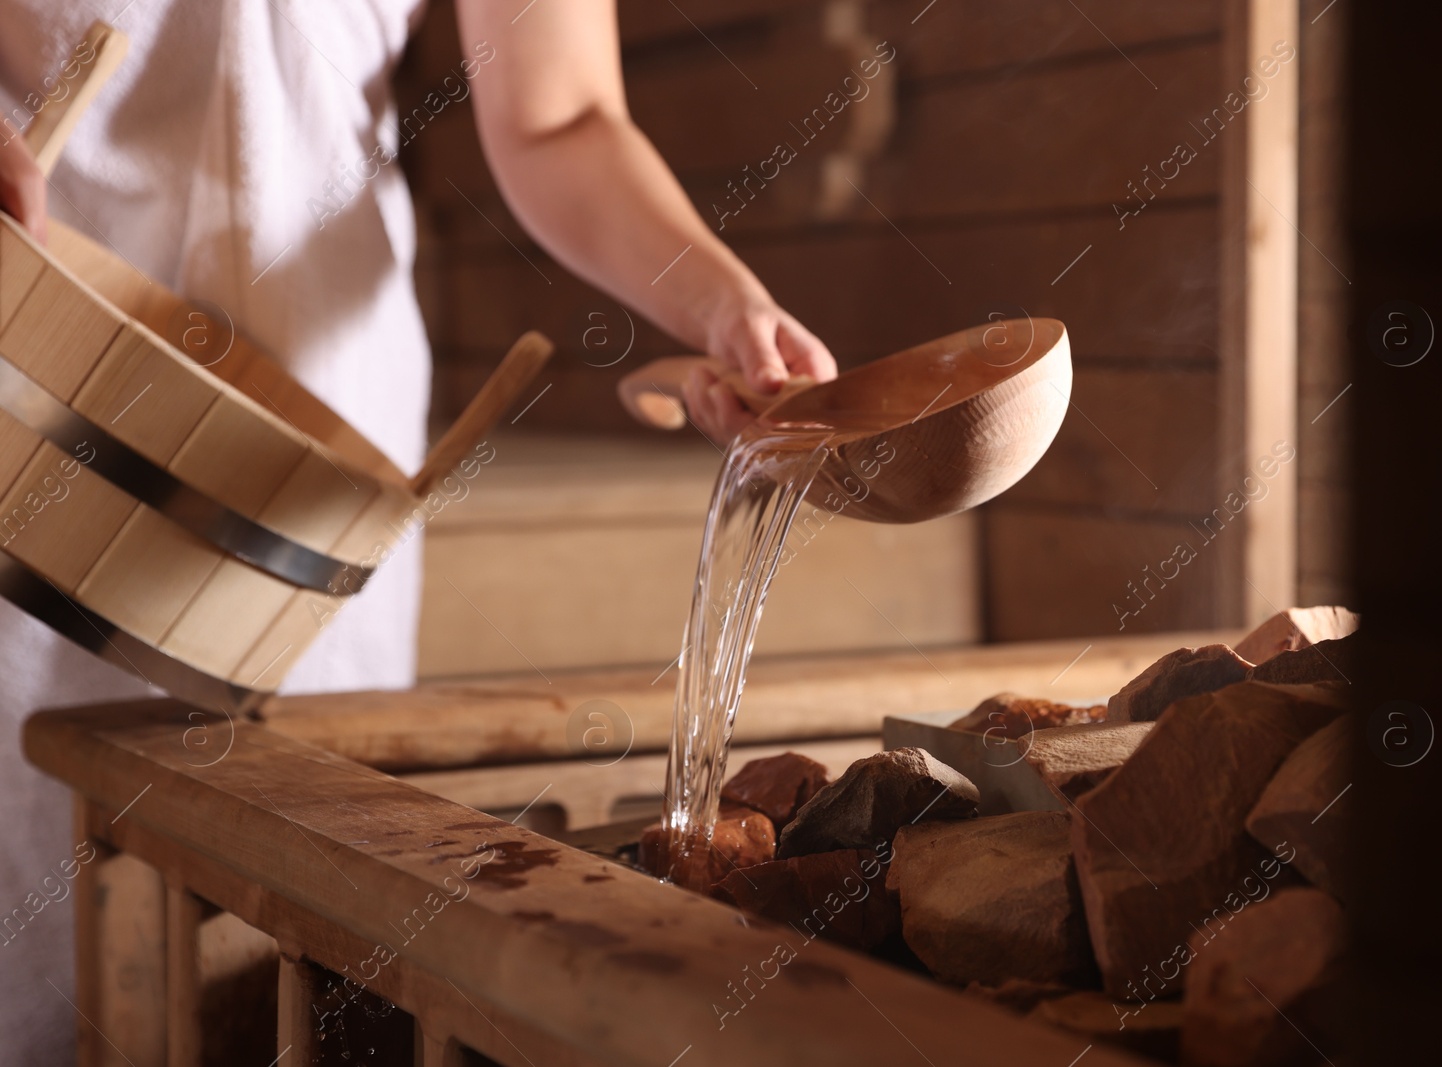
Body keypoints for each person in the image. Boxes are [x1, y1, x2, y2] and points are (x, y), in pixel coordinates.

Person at [0, 1, 835, 1060]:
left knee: (289, 930)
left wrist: (722, 307)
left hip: (323, 438)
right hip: (32, 344)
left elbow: (561, 114)